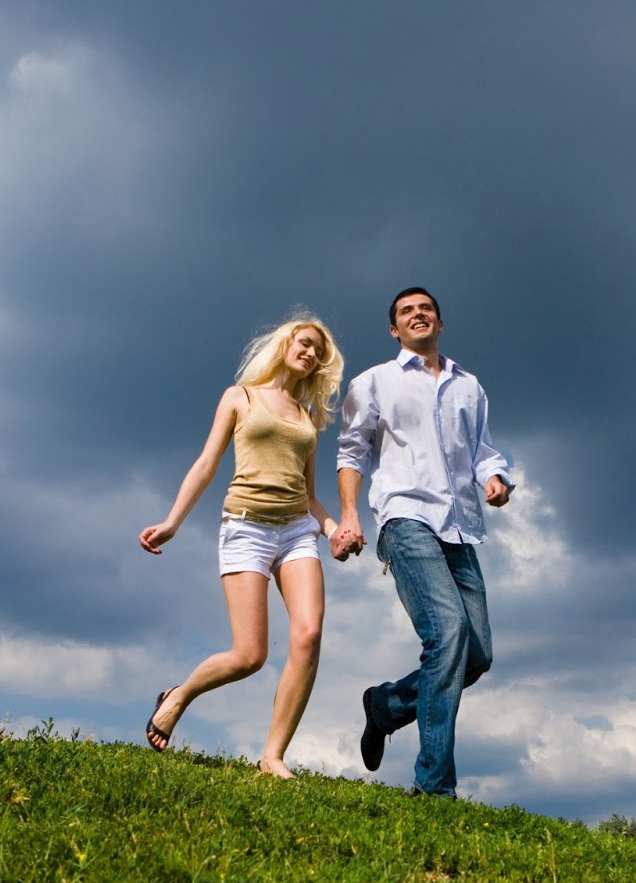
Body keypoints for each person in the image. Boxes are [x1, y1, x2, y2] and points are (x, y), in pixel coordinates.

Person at [138, 315, 345, 778]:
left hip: (296, 531)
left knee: (308, 636)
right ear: (285, 343)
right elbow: (206, 464)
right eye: (305, 344)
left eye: (319, 353)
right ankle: (179, 696)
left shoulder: (309, 420)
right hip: (246, 527)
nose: (311, 354)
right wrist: (172, 522)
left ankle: (272, 756)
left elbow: (309, 496)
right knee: (250, 656)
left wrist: (335, 531)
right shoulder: (241, 397)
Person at [332, 287, 511, 797]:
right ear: (395, 330)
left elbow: (483, 451)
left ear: (439, 322)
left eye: (426, 308)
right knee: (447, 633)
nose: (418, 314)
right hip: (405, 517)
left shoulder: (468, 386)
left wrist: (495, 478)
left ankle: (386, 706)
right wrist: (349, 515)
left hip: (460, 526)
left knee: (476, 655)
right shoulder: (374, 382)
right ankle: (434, 787)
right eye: (407, 311)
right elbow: (351, 451)